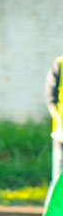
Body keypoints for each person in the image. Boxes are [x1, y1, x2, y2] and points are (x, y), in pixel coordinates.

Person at [44, 55, 63, 185]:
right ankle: (53, 206)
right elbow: (51, 100)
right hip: (61, 135)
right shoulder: (59, 64)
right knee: (58, 180)